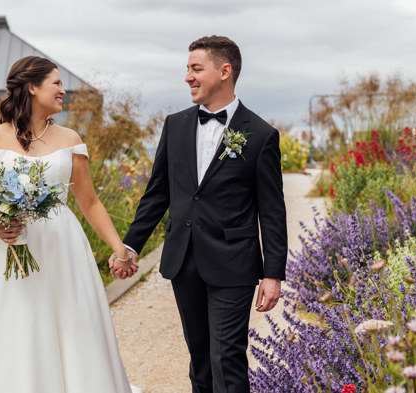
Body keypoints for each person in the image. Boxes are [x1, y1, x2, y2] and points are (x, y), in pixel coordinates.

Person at [0, 56, 140, 393]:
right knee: (17, 327)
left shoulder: (70, 138)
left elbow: (90, 202)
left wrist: (120, 248)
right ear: (32, 86)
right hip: (9, 250)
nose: (63, 91)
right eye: (56, 83)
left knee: (72, 326)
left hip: (62, 249)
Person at [116, 36, 288, 393]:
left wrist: (273, 274)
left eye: (196, 68)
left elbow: (272, 210)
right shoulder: (175, 125)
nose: (188, 77)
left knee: (227, 358)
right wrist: (131, 246)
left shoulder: (260, 135)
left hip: (234, 263)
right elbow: (157, 194)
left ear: (224, 71)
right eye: (187, 69)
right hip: (184, 261)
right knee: (200, 360)